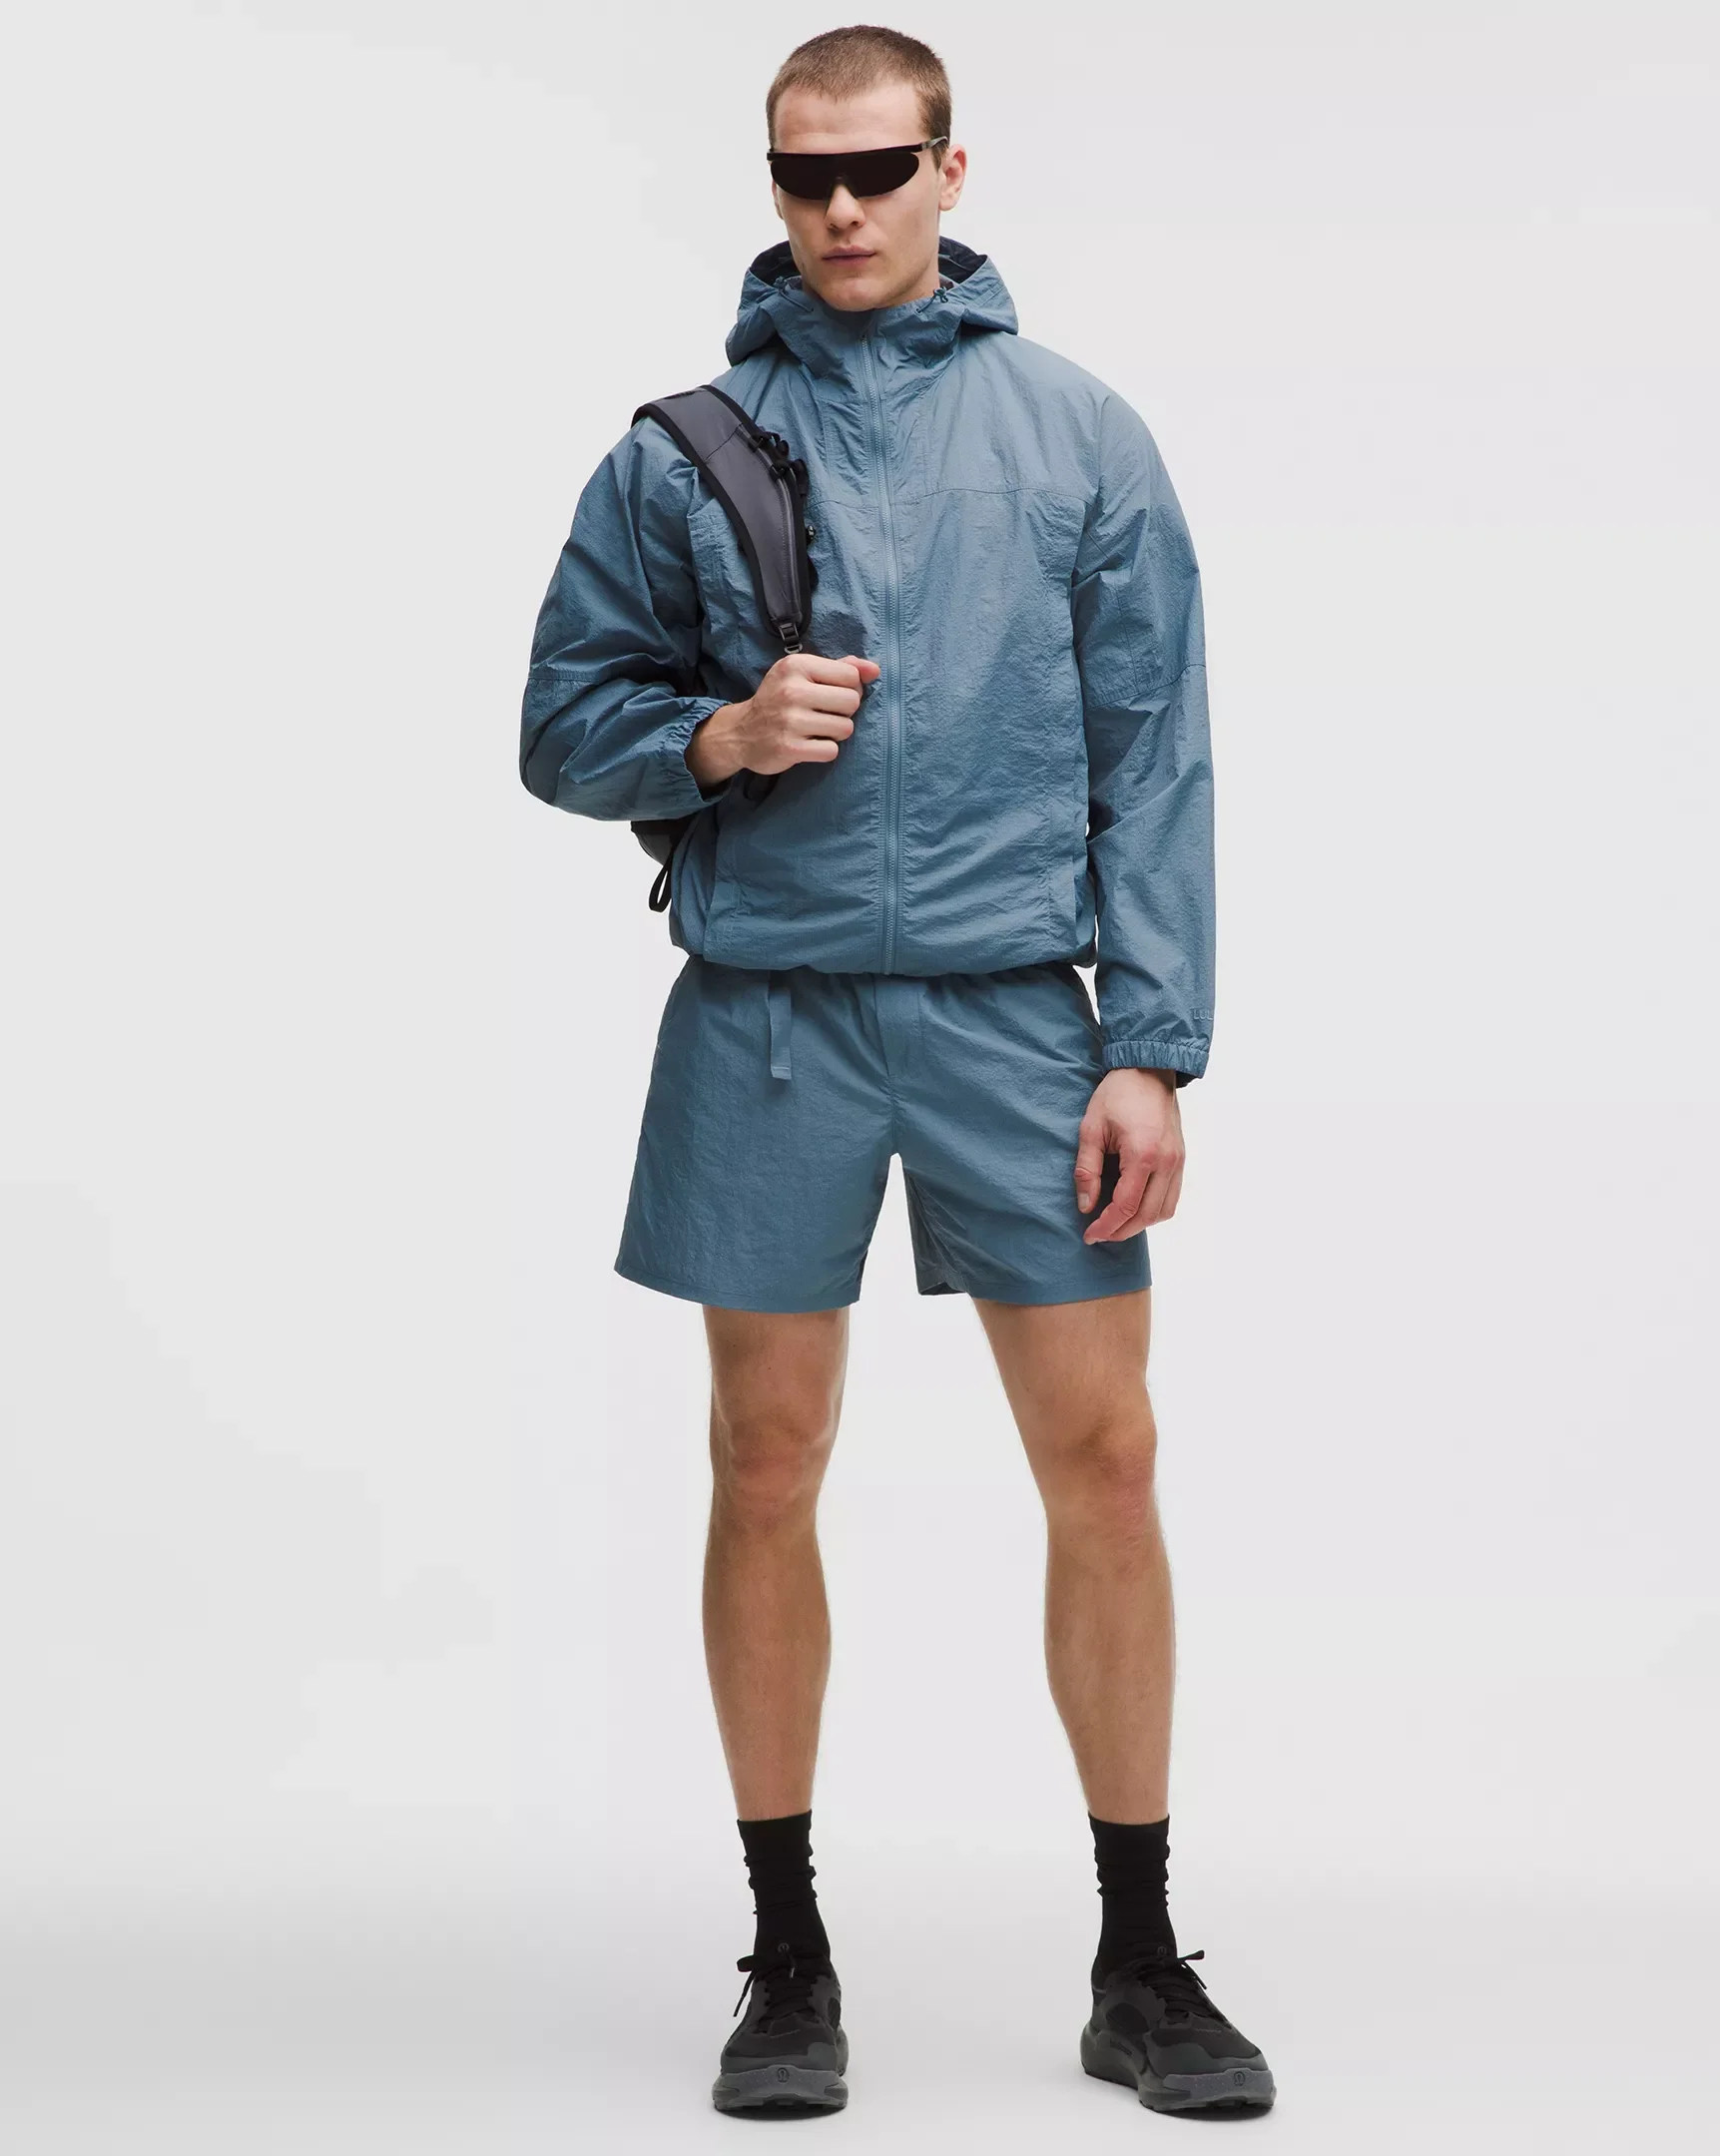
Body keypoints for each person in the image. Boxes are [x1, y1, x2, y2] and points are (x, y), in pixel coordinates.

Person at [518, 23, 1274, 2121]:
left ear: (952, 167)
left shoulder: (1078, 433)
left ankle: (1140, 1960)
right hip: (765, 1011)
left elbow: (1160, 753)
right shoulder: (680, 454)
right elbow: (559, 721)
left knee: (1105, 1460)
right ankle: (786, 1956)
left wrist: (1155, 1047)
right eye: (802, 174)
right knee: (766, 1462)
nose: (839, 209)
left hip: (1020, 1014)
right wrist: (716, 736)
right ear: (773, 184)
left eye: (875, 168)